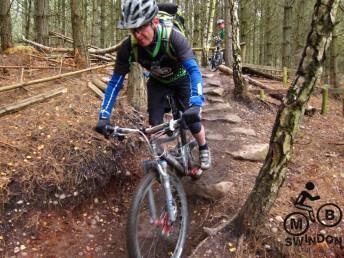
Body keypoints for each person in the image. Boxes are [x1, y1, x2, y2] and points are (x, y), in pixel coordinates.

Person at [95, 0, 211, 171]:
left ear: (154, 22)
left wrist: (196, 103)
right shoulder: (128, 48)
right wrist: (104, 115)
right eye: (133, 30)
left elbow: (194, 70)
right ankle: (163, 164)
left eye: (141, 28)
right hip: (158, 82)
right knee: (154, 125)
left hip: (182, 79)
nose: (138, 35)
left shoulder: (174, 38)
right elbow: (115, 83)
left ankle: (203, 147)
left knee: (192, 121)